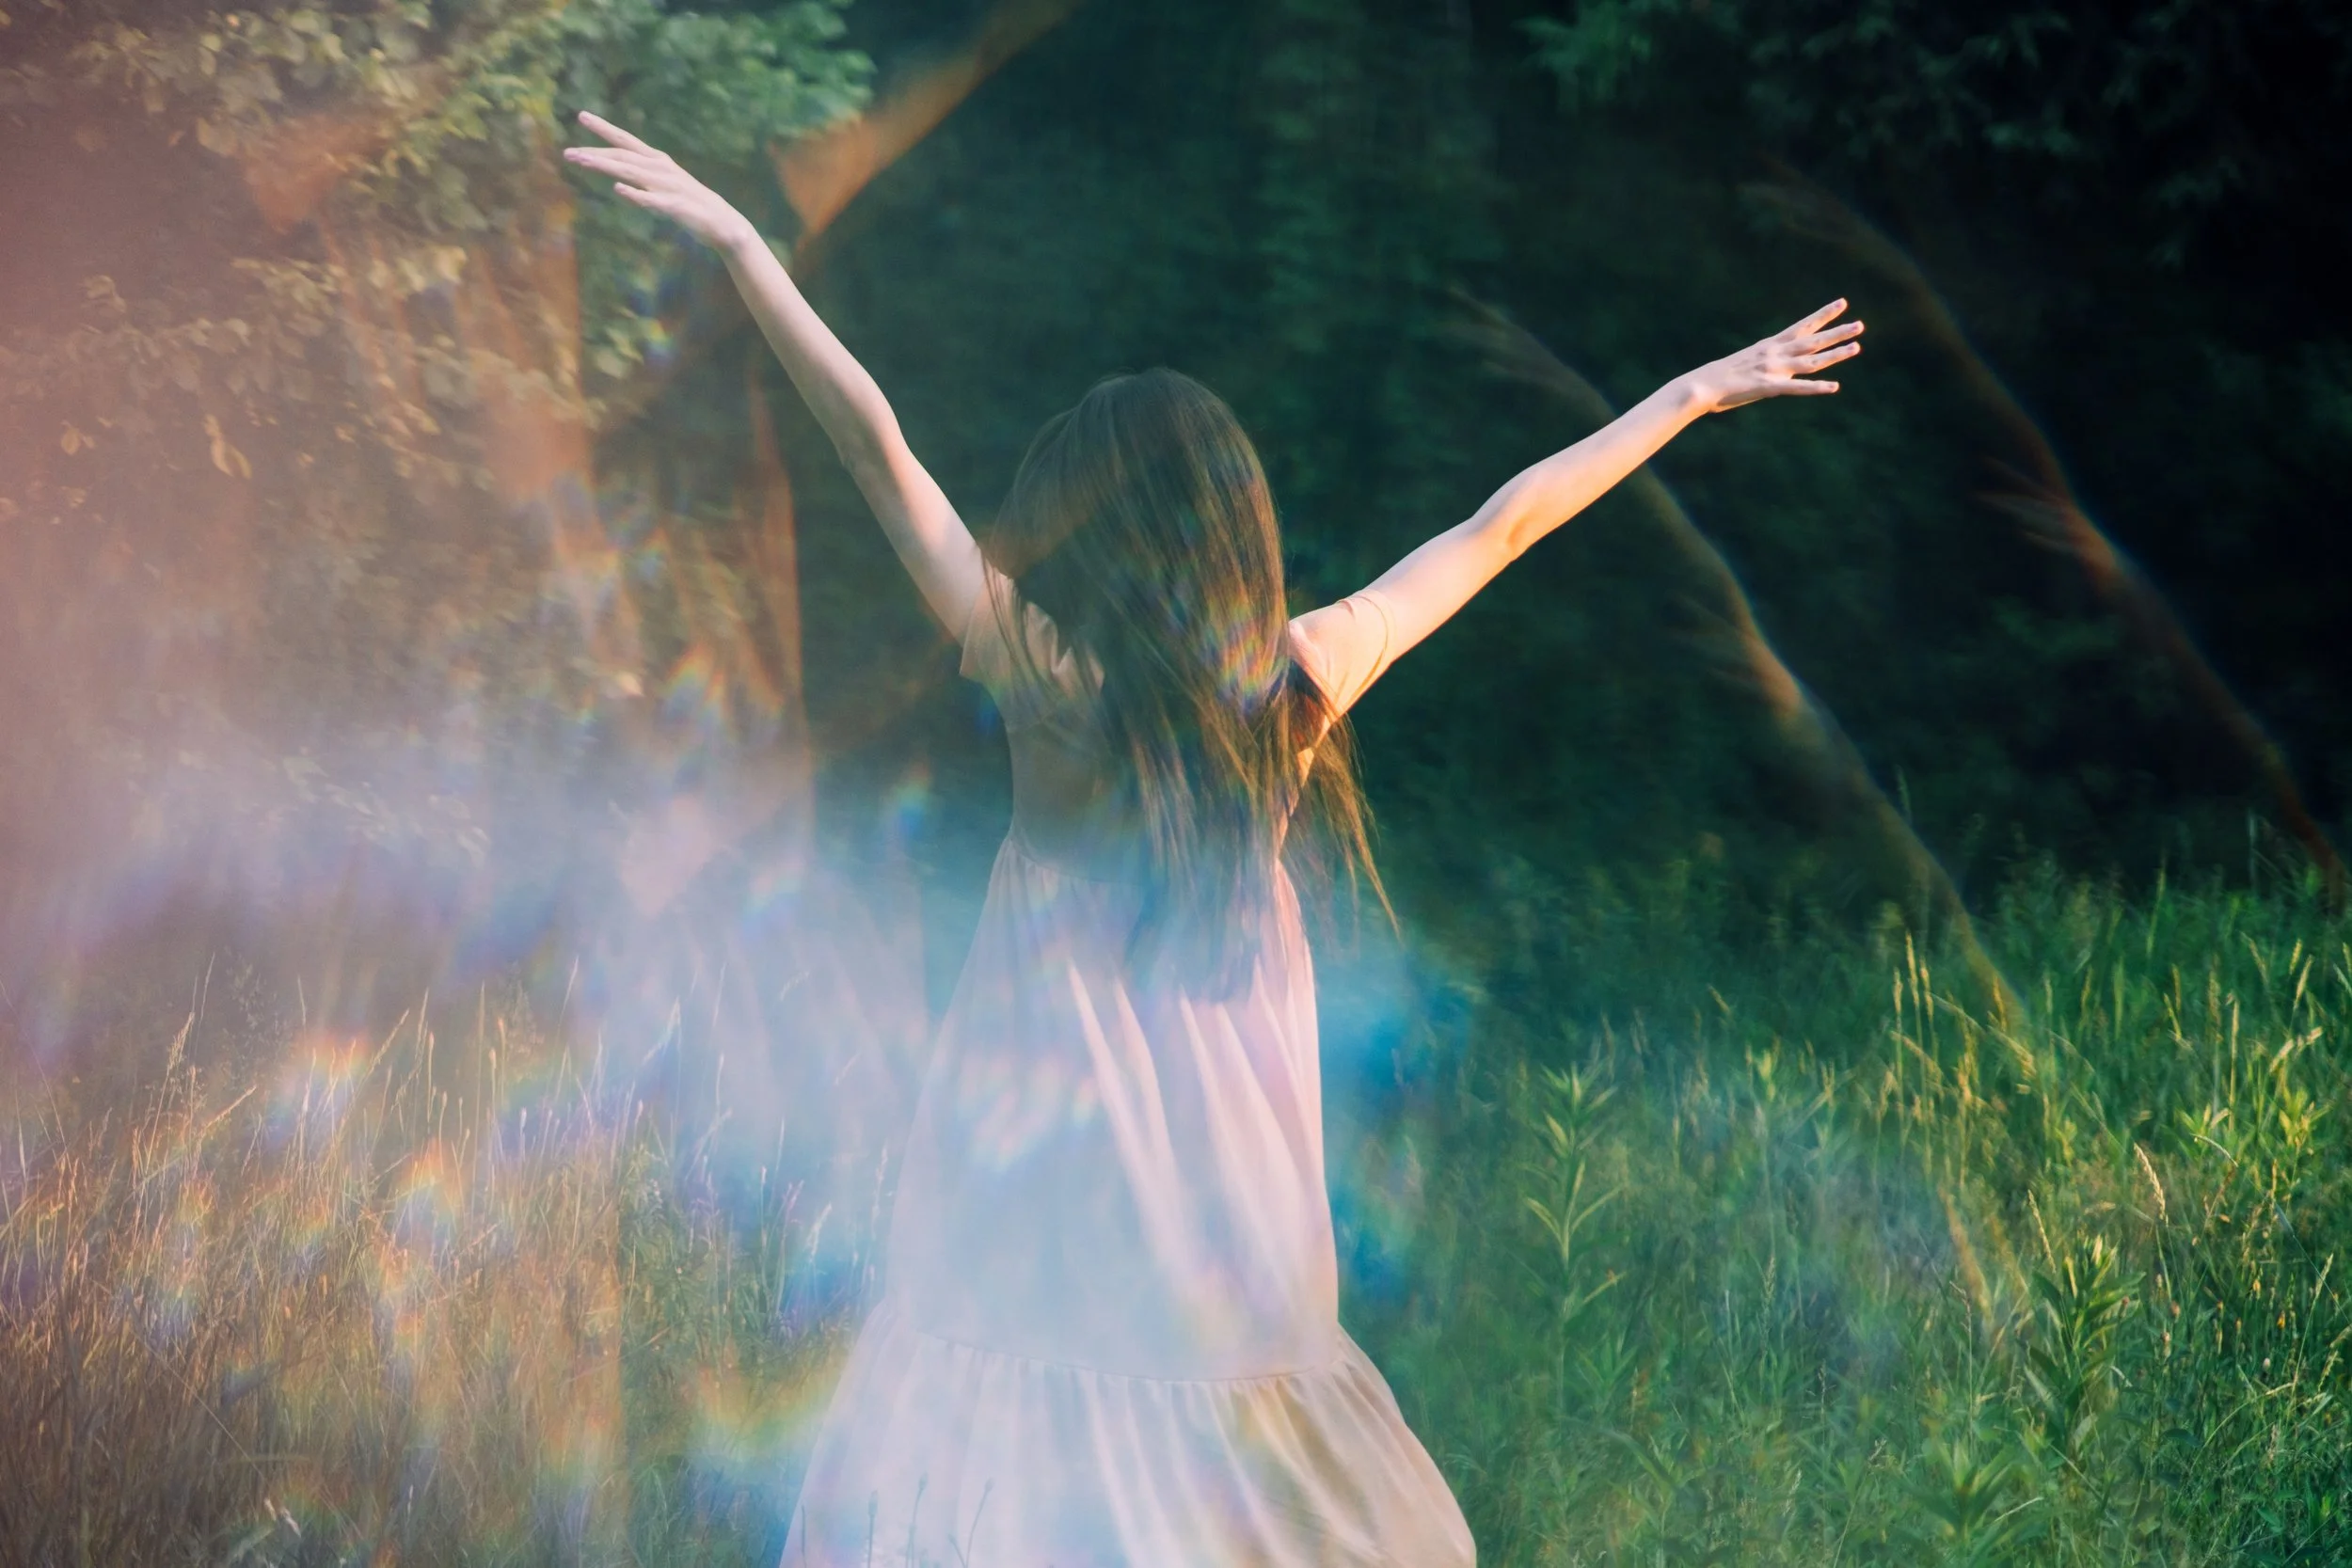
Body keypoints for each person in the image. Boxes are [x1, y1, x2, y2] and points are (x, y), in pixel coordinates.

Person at [565, 110, 1862, 1567]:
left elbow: (880, 457)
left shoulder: (1042, 680)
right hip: (1239, 1287)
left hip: (1039, 1271)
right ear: (1234, 540)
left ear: (1091, 537)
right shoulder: (1298, 689)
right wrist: (1690, 390)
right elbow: (1501, 527)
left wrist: (747, 248)